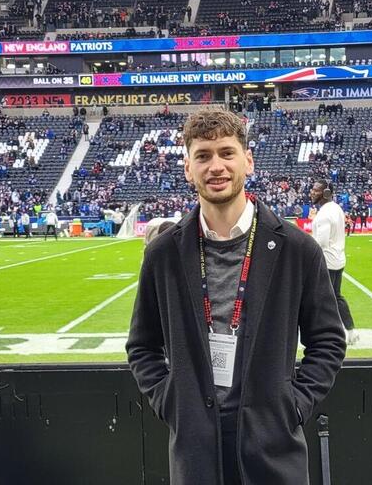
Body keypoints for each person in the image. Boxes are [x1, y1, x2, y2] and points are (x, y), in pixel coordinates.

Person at [126, 109, 346, 485]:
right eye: (203, 155)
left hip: (272, 445)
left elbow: (327, 340)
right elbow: (142, 346)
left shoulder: (297, 249)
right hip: (196, 449)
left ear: (248, 161)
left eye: (227, 153)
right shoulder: (163, 254)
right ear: (188, 168)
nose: (216, 166)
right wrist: (171, 402)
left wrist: (292, 405)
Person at [310, 179, 358, 345]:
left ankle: (329, 334)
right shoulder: (336, 208)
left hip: (327, 261)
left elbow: (320, 243)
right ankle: (350, 330)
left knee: (322, 300)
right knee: (335, 296)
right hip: (338, 258)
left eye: (316, 190)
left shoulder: (324, 214)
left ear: (326, 193)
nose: (312, 192)